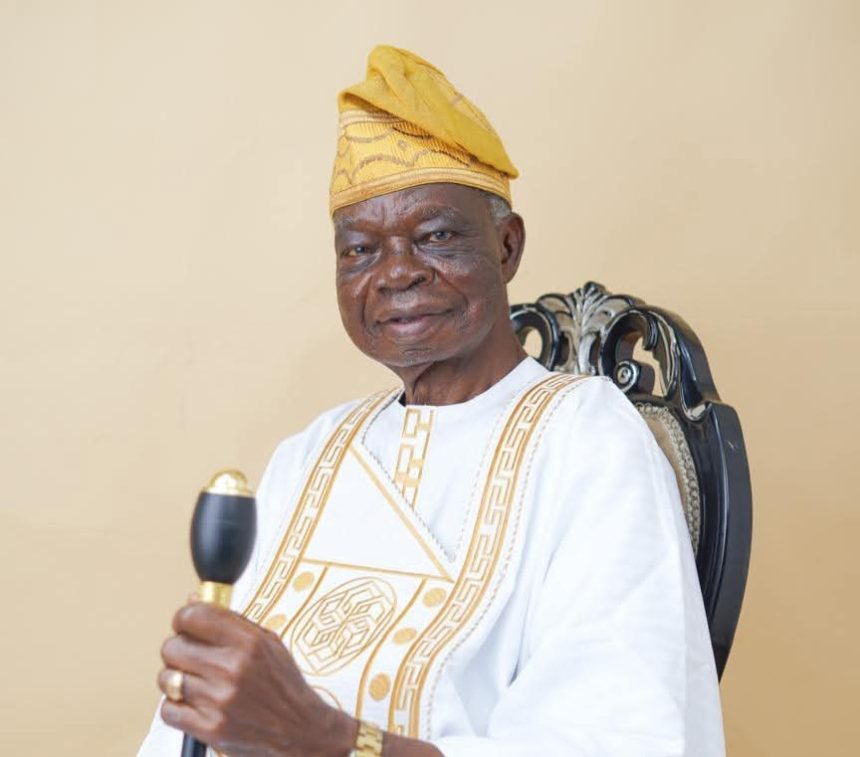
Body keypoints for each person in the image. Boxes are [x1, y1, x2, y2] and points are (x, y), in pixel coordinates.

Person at [139, 45, 724, 756]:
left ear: (506, 247)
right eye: (359, 249)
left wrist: (327, 739)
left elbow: (609, 739)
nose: (396, 274)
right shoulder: (311, 453)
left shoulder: (590, 443)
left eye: (436, 236)